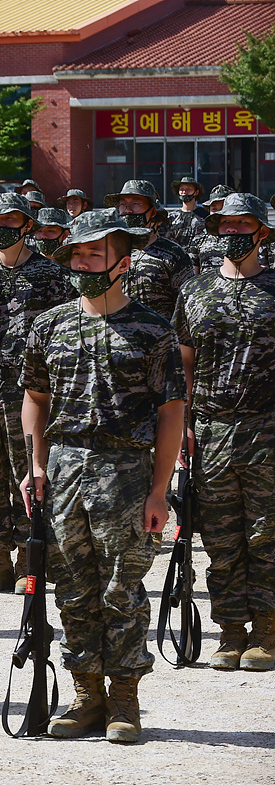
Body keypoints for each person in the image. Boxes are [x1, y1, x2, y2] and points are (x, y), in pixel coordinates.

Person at [21, 209, 184, 743]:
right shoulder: (50, 324)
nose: (83, 261)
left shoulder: (153, 330)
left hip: (129, 474)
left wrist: (160, 489)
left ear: (123, 262)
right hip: (65, 471)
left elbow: (170, 413)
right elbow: (35, 399)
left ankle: (124, 702)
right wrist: (36, 462)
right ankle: (86, 695)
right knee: (71, 587)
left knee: (123, 589)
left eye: (95, 253)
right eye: (78, 253)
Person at [172, 192, 275, 672]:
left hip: (267, 430)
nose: (233, 233)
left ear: (263, 232)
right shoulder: (194, 291)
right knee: (219, 536)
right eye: (226, 226)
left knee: (267, 534)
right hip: (210, 431)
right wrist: (185, 425)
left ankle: (267, 630)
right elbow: (183, 364)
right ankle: (230, 630)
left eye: (243, 226)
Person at [0, 193, 73, 593]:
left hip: (29, 388)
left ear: (27, 226)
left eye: (11, 222)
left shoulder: (50, 274)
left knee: (29, 474)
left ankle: (30, 559)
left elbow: (63, 334)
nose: (2, 229)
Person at [106, 180, 195, 321]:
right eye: (123, 204)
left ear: (152, 211)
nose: (128, 210)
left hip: (159, 339)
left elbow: (187, 306)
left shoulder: (173, 254)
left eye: (136, 204)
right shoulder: (108, 252)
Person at [168, 177, 208, 251]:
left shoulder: (205, 216)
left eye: (188, 189)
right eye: (181, 189)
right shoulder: (172, 217)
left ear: (196, 192)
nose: (184, 192)